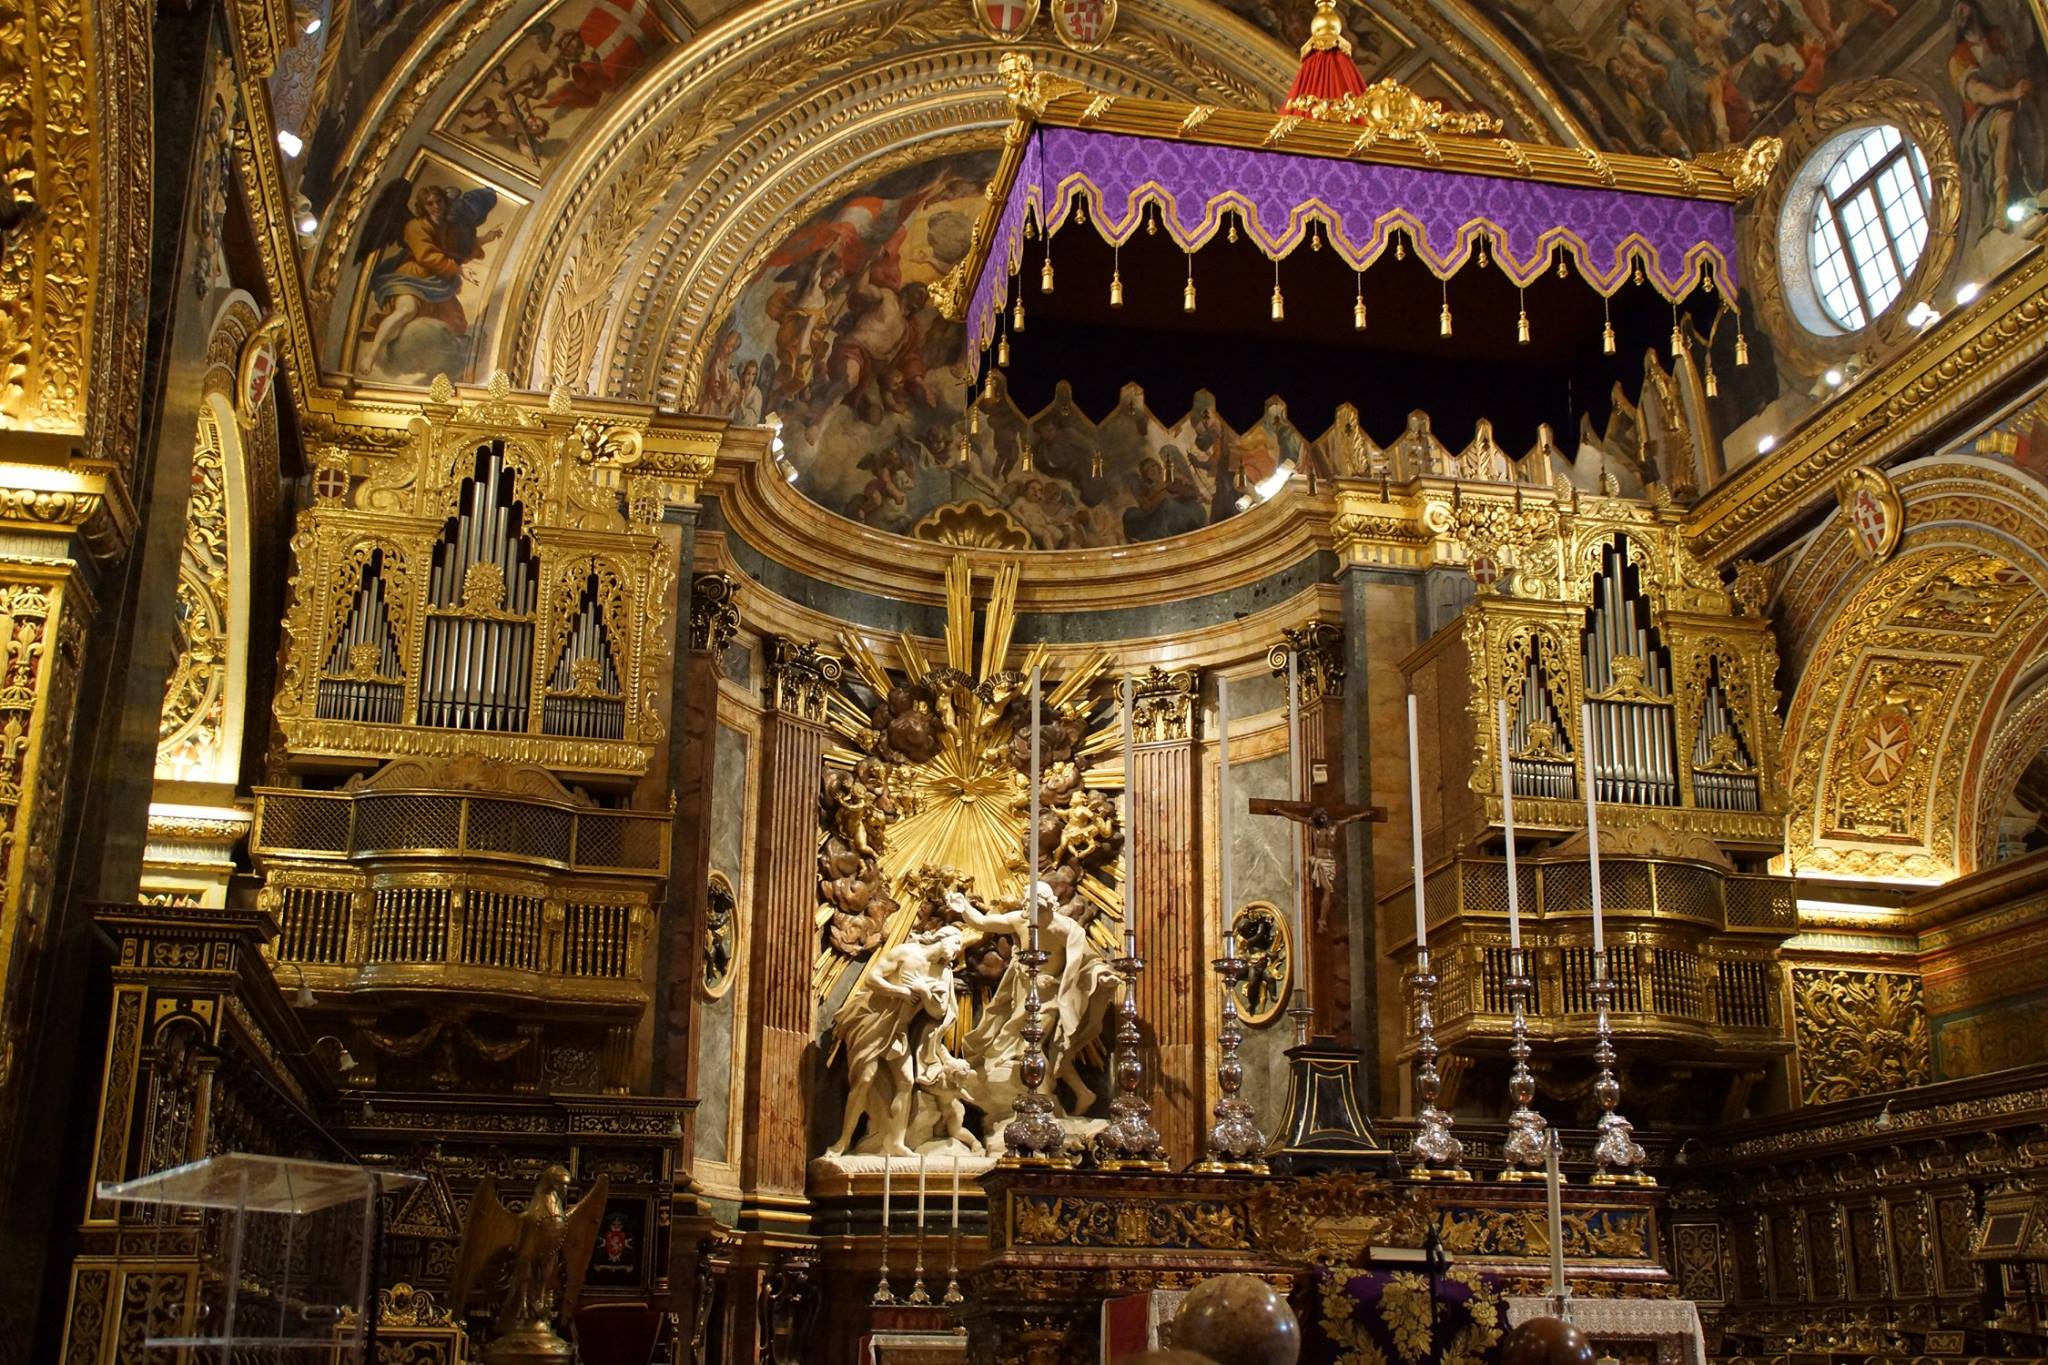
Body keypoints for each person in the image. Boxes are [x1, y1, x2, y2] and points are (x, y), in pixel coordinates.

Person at [825, 924, 966, 1158]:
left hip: (899, 1030)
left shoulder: (943, 973)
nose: (957, 950)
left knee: (906, 1081)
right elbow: (872, 979)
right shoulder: (906, 952)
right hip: (874, 1022)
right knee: (865, 1079)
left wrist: (924, 991)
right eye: (956, 942)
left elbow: (938, 1012)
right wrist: (900, 992)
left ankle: (896, 1142)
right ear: (942, 937)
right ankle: (842, 1141)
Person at [1952, 0, 2037, 223]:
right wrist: (2011, 93)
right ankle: (2002, 199)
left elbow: (2018, 59)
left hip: (2016, 99)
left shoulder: (1996, 37)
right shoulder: (1958, 57)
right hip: (1982, 118)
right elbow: (1979, 93)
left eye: (1964, 5)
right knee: (2005, 121)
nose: (1962, 12)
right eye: (1957, 9)